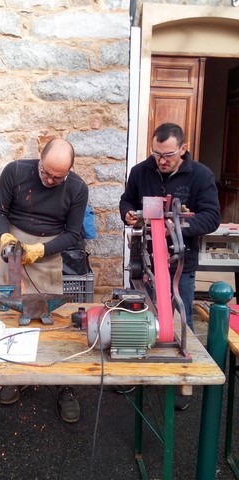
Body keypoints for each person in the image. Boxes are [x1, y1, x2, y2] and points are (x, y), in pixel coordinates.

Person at [119, 123, 221, 409]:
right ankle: (134, 374)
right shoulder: (141, 171)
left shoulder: (201, 176)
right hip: (144, 258)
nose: (161, 161)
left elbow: (211, 217)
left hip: (179, 262)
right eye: (156, 154)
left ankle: (177, 379)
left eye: (168, 155)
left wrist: (175, 225)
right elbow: (127, 199)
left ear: (183, 149)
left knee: (179, 318)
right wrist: (127, 212)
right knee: (136, 314)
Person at [0, 138, 89, 423]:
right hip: (14, 248)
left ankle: (64, 387)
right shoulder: (15, 172)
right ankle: (15, 376)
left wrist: (42, 250)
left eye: (59, 177)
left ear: (70, 170)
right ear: (39, 158)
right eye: (46, 173)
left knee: (52, 323)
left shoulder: (77, 188)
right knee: (12, 316)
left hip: (49, 249)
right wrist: (5, 236)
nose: (50, 180)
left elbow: (73, 233)